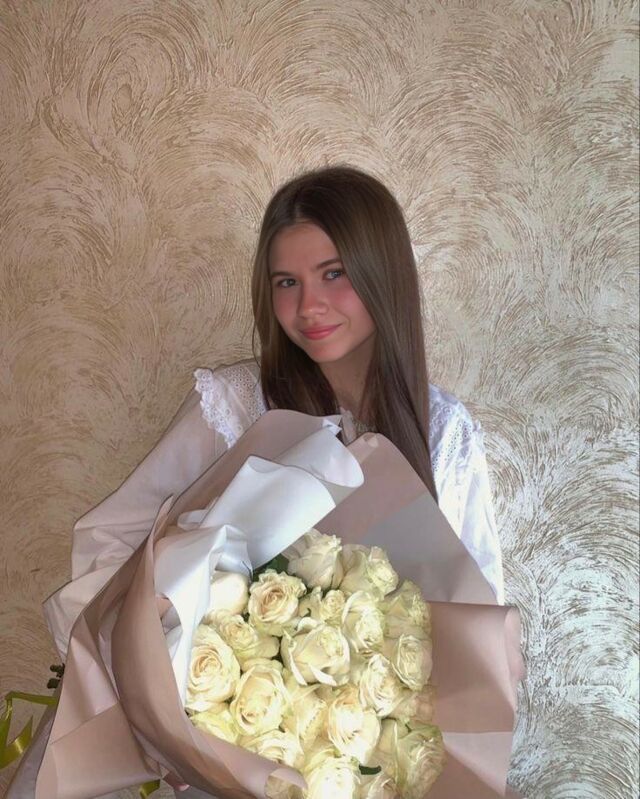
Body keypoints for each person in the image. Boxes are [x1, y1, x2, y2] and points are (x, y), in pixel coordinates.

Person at [41, 164, 504, 798]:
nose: (308, 306)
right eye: (287, 282)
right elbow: (110, 543)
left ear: (383, 273)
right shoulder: (233, 406)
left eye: (334, 274)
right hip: (225, 762)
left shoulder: (445, 433)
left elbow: (478, 623)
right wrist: (167, 671)